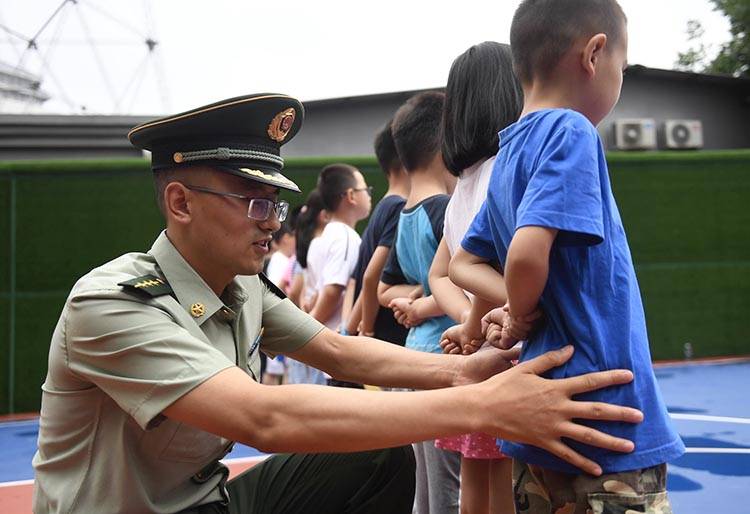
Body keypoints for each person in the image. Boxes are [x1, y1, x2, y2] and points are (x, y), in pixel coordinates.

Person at [33, 93, 644, 514]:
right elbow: (263, 420)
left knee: (382, 457)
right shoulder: (113, 305)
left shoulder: (238, 286)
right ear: (180, 202)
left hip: (207, 503)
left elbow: (338, 350)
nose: (271, 222)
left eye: (274, 203)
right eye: (253, 202)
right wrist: (482, 406)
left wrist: (459, 370)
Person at [450, 2, 684, 512]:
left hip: (538, 414)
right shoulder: (570, 131)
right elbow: (528, 255)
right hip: (606, 420)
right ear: (595, 53)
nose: (619, 79)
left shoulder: (510, 151)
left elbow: (461, 265)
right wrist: (517, 309)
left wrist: (519, 310)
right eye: (622, 66)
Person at [428, 41, 523, 514]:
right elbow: (499, 264)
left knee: (475, 478)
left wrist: (469, 321)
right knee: (506, 477)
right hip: (507, 350)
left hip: (479, 348)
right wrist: (483, 320)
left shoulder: (461, 189)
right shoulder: (505, 173)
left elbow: (443, 274)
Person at [377, 91, 461, 514]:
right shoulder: (444, 209)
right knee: (449, 488)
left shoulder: (406, 212)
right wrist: (425, 303)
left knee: (423, 489)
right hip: (443, 359)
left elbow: (385, 290)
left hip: (413, 359)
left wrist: (411, 300)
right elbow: (456, 290)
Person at [345, 120, 409, 345]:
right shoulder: (399, 208)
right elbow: (372, 277)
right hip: (385, 338)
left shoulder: (383, 206)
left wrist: (349, 329)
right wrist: (368, 331)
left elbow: (361, 280)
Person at [307, 163, 372, 387]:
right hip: (340, 349)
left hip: (330, 353)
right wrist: (307, 329)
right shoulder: (343, 236)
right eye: (366, 190)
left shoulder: (324, 236)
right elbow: (334, 289)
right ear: (351, 196)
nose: (369, 196)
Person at [286, 189, 329, 385]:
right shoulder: (325, 244)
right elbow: (329, 288)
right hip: (320, 328)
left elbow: (297, 290)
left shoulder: (305, 247)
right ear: (324, 215)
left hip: (307, 321)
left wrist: (304, 308)